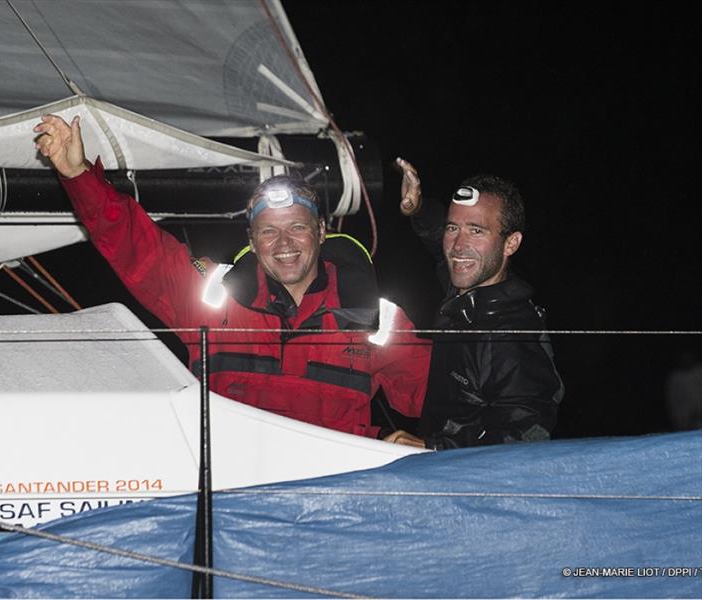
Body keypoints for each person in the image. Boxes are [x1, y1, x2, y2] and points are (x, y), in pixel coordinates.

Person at [33, 115, 431, 438]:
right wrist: (77, 174)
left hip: (333, 506)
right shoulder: (210, 298)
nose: (283, 243)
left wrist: (421, 443)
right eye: (268, 231)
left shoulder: (376, 320)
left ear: (322, 232)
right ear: (252, 241)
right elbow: (136, 245)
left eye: (297, 227)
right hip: (229, 502)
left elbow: (447, 396)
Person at [386, 158, 564, 450]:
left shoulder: (512, 335)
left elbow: (523, 439)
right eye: (453, 228)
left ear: (511, 243)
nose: (457, 246)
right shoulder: (464, 290)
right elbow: (435, 240)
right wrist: (418, 209)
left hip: (463, 484)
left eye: (476, 231)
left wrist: (432, 449)